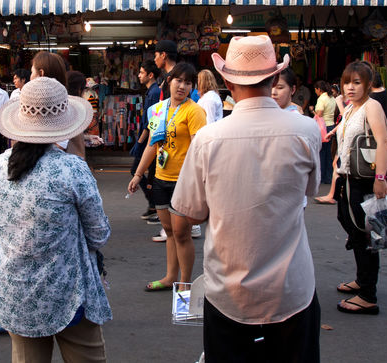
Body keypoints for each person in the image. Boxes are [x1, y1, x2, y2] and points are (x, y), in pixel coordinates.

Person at [171, 35, 321, 362]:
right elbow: (309, 191)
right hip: (291, 288)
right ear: (274, 78)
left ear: (227, 81)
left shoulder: (208, 139)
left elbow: (191, 213)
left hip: (229, 289)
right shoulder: (306, 130)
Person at [0, 77, 111, 362]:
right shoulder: (72, 170)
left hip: (13, 291)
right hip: (66, 293)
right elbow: (99, 234)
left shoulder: (0, 165)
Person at [127, 62, 207, 290]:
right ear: (169, 81)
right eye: (178, 80)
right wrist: (139, 173)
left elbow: (200, 149)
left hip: (184, 182)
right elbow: (153, 144)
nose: (182, 86)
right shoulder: (160, 109)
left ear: (192, 87)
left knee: (182, 234)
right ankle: (170, 277)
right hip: (161, 178)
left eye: (187, 83)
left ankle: (185, 283)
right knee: (170, 232)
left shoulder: (194, 111)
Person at [333, 61, 387, 315]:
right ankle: (361, 279)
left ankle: (368, 295)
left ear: (368, 84)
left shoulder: (372, 106)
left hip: (364, 180)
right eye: (347, 82)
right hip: (346, 179)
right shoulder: (350, 109)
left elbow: (382, 141)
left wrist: (380, 176)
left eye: (357, 82)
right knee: (351, 225)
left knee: (365, 234)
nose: (351, 87)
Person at [30, 51, 86, 159]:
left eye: (32, 71)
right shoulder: (67, 106)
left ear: (41, 73)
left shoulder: (59, 105)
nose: (30, 76)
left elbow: (59, 144)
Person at [130, 60, 161, 223]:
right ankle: (153, 206)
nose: (139, 75)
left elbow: (151, 122)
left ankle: (155, 205)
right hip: (146, 138)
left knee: (138, 170)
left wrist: (140, 142)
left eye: (141, 72)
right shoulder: (151, 91)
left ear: (150, 75)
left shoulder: (155, 92)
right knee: (149, 174)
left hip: (149, 139)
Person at [314, 80, 337, 184]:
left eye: (315, 90)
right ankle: (328, 177)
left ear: (319, 89)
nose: (315, 92)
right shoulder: (332, 98)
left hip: (323, 128)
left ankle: (321, 177)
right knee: (329, 153)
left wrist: (312, 111)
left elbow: (319, 114)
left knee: (321, 153)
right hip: (331, 126)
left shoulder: (321, 99)